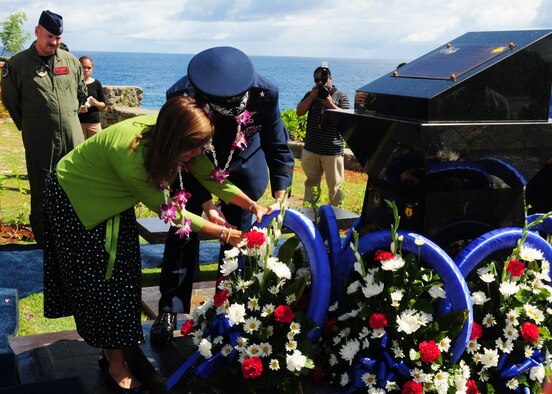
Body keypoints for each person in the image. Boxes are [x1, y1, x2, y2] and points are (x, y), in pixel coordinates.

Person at [43, 96, 267, 393]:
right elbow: (173, 214)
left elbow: (212, 178)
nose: (198, 153)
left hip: (110, 197)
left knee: (122, 278)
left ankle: (113, 349)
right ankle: (115, 363)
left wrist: (251, 205)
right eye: (193, 149)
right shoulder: (130, 154)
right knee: (105, 282)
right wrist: (225, 234)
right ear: (175, 142)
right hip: (76, 199)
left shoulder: (172, 135)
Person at [150, 46, 295, 345]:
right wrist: (206, 203)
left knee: (237, 243)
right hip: (190, 167)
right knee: (183, 234)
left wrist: (281, 193)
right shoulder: (181, 97)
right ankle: (170, 310)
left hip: (242, 174)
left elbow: (277, 145)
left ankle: (226, 307)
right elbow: (177, 150)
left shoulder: (265, 94)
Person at [0, 10, 87, 247]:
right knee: (42, 185)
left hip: (72, 135)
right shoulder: (17, 64)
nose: (54, 42)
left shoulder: (70, 61)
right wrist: (32, 124)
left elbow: (81, 93)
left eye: (58, 38)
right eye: (50, 36)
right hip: (40, 137)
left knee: (75, 183)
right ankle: (43, 240)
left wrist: (66, 117)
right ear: (37, 31)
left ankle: (74, 234)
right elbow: (10, 100)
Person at [296, 64, 350, 207]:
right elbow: (299, 111)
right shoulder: (311, 94)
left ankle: (337, 217)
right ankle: (309, 214)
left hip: (332, 151)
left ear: (330, 78)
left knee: (335, 188)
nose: (319, 82)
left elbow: (346, 119)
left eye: (323, 79)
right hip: (311, 149)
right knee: (311, 185)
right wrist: (311, 97)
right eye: (316, 80)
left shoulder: (341, 96)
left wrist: (329, 103)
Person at [78, 55, 106, 139]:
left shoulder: (96, 84)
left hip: (94, 123)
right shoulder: (74, 83)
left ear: (92, 69)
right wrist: (79, 108)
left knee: (97, 149)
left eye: (89, 68)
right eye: (83, 67)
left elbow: (103, 105)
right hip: (78, 123)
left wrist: (96, 103)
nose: (86, 70)